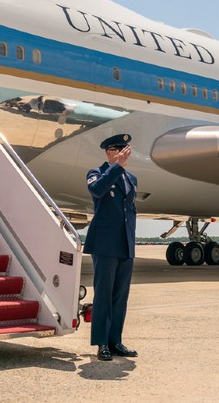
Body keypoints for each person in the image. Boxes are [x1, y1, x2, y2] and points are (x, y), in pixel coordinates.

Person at [84, 133, 138, 361]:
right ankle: (102, 343)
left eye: (126, 149)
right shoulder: (96, 173)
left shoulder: (131, 178)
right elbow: (97, 190)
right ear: (109, 152)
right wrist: (116, 167)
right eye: (118, 149)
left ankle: (116, 341)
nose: (123, 152)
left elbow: (129, 210)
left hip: (125, 243)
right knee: (103, 295)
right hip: (105, 244)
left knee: (120, 296)